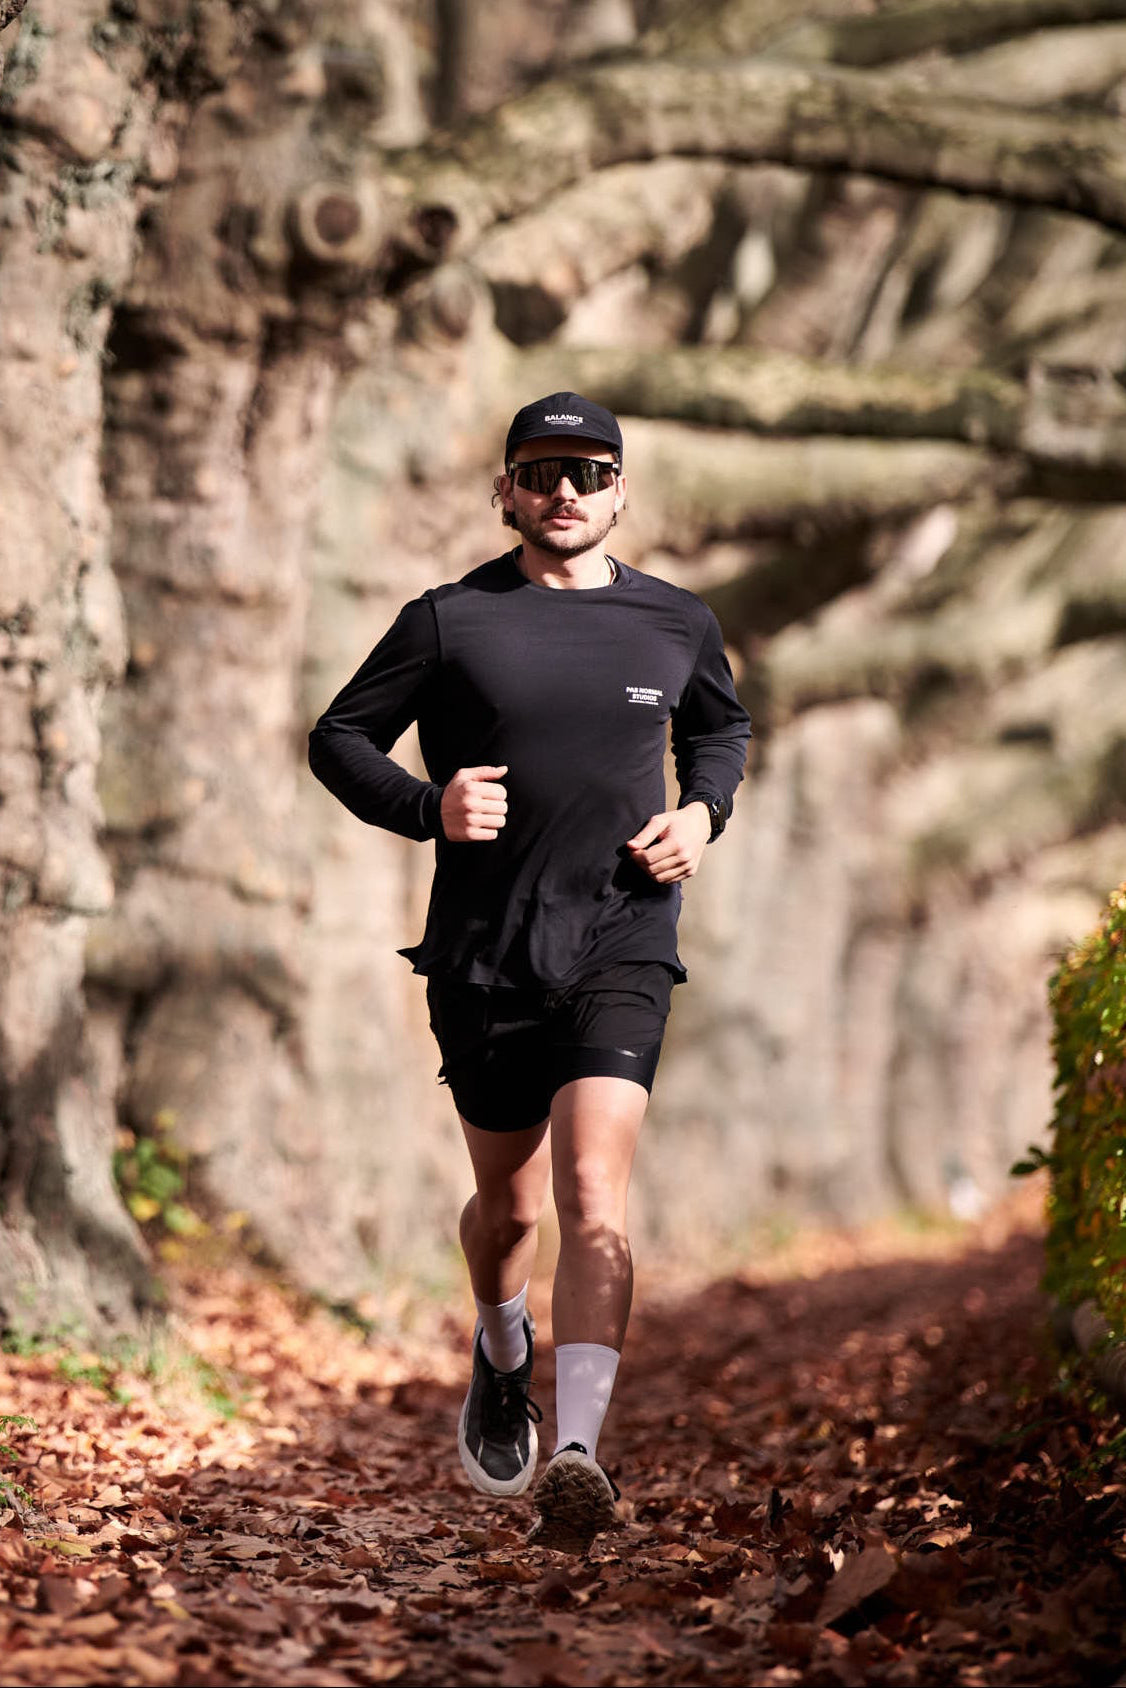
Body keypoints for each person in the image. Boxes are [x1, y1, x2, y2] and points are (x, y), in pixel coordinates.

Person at [308, 391, 751, 1542]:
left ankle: (576, 1448)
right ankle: (502, 1348)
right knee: (506, 1207)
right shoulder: (450, 619)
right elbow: (338, 736)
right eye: (543, 470)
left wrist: (702, 814)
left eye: (590, 472)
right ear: (505, 490)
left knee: (591, 1189)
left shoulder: (676, 622)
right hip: (487, 948)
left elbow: (719, 732)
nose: (567, 490)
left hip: (625, 933)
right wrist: (427, 804)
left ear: (620, 491)